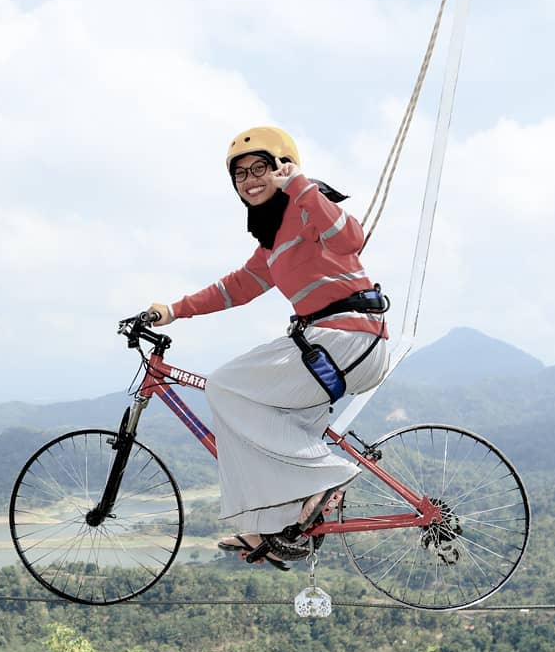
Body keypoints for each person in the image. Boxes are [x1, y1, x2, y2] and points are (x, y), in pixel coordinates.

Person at [147, 126, 389, 569]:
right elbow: (236, 287)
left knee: (224, 386)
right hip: (329, 347)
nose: (250, 179)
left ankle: (329, 476)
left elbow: (351, 239)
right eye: (240, 174)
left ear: (282, 165)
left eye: (260, 167)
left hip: (348, 338)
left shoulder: (308, 204)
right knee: (262, 417)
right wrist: (174, 310)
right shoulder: (273, 241)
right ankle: (272, 526)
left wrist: (299, 184)